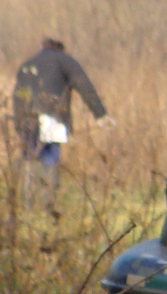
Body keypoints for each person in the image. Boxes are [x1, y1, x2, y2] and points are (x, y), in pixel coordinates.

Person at [11, 37, 112, 192]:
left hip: (26, 118)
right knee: (49, 159)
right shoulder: (65, 61)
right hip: (53, 116)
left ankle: (27, 205)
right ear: (61, 49)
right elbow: (84, 86)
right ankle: (48, 205)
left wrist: (18, 122)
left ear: (41, 46)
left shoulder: (26, 65)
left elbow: (19, 95)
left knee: (29, 159)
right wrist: (100, 114)